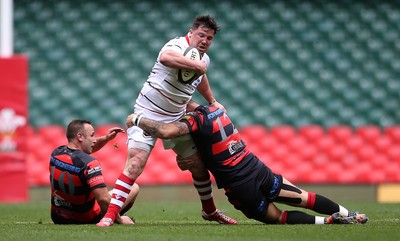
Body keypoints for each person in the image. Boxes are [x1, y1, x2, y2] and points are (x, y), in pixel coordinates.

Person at [124, 104, 369, 225]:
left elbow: (166, 131)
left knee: (278, 217)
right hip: (256, 167)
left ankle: (327, 222)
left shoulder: (194, 122)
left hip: (240, 184)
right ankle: (352, 214)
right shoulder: (217, 109)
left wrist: (137, 119)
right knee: (304, 196)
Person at [97, 15, 236, 226]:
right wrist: (196, 65)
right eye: (201, 35)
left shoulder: (203, 60)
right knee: (135, 164)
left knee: (198, 166)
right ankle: (109, 217)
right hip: (147, 113)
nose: (205, 41)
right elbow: (165, 58)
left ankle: (210, 211)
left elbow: (200, 78)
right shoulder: (177, 44)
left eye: (209, 38)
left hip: (176, 117)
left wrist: (212, 101)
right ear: (191, 33)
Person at [49, 119, 139, 224]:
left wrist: (106, 138)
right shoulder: (90, 164)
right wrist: (119, 220)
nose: (94, 140)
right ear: (80, 136)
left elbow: (82, 152)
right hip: (86, 218)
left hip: (59, 217)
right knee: (133, 188)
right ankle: (117, 216)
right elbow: (103, 199)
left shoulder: (56, 153)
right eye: (92, 135)